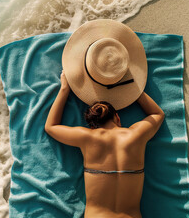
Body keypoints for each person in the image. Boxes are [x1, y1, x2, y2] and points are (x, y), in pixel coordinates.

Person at [44, 71, 165, 218]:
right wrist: (134, 91)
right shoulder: (136, 135)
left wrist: (64, 88)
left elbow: (51, 127)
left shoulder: (87, 137)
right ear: (117, 117)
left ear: (93, 126)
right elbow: (158, 114)